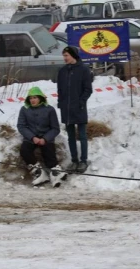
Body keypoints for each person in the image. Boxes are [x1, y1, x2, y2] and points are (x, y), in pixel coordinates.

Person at [17, 86, 67, 187]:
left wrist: (45, 139)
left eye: (35, 97)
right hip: (31, 137)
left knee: (49, 152)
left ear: (40, 98)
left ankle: (55, 173)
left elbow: (55, 128)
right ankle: (38, 172)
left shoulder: (50, 110)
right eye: (30, 98)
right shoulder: (24, 109)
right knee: (24, 150)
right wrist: (32, 137)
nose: (33, 100)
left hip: (46, 136)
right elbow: (21, 126)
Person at [57, 46, 92, 174]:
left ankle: (83, 160)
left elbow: (88, 89)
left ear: (73, 56)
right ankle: (74, 160)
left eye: (66, 55)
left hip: (79, 107)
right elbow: (60, 89)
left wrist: (81, 102)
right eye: (64, 56)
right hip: (66, 108)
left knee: (82, 135)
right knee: (71, 136)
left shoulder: (83, 70)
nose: (65, 58)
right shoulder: (62, 71)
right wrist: (61, 102)